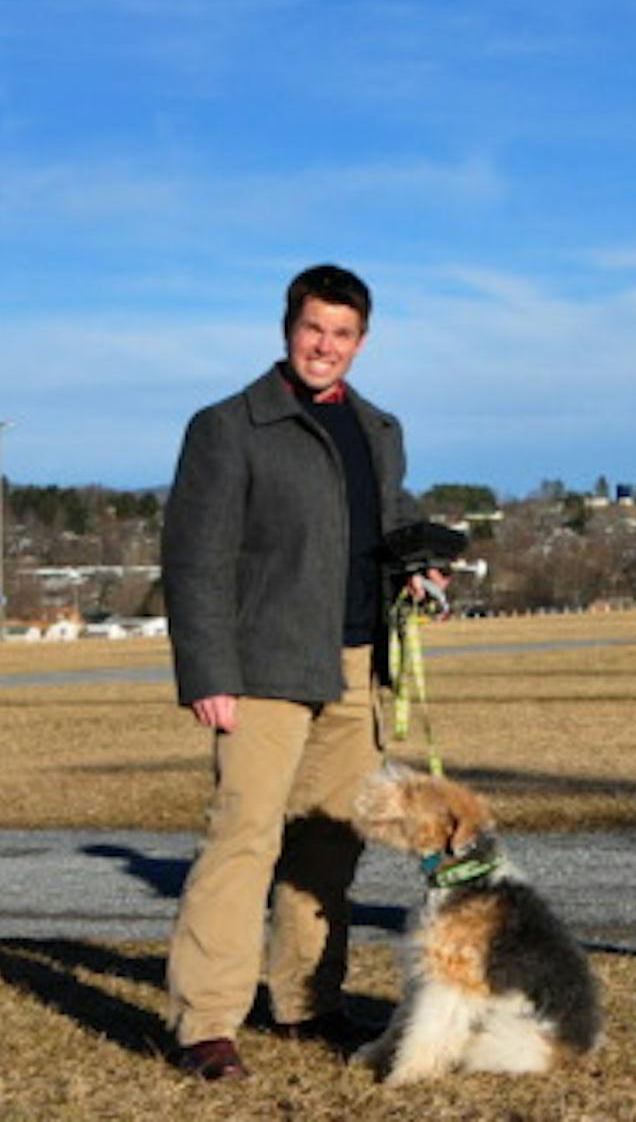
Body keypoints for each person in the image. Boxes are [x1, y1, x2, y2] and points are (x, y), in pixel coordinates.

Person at [159, 263, 443, 1080]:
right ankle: (206, 1023)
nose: (327, 346)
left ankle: (306, 1001)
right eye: (315, 329)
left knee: (331, 844)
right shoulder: (229, 426)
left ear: (363, 341)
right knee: (243, 840)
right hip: (260, 667)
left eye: (343, 334)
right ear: (289, 329)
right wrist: (206, 670)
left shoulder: (379, 428)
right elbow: (196, 559)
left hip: (358, 664)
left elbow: (383, 533)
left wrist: (417, 571)